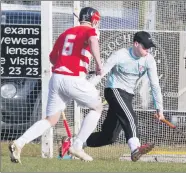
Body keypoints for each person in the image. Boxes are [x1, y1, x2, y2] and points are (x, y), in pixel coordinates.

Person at [9, 7, 103, 163]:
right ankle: (77, 145)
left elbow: (53, 58)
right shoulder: (91, 32)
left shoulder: (65, 33)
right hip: (73, 78)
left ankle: (19, 143)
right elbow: (93, 40)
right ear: (94, 20)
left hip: (57, 78)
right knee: (97, 107)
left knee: (51, 119)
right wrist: (99, 64)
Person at [61, 31, 165, 162]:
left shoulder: (149, 60)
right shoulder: (120, 55)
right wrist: (83, 90)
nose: (147, 50)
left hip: (128, 95)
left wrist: (159, 109)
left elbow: (155, 85)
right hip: (114, 90)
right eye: (145, 47)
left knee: (109, 137)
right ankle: (135, 148)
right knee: (130, 116)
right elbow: (101, 73)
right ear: (136, 44)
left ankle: (73, 143)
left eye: (149, 47)